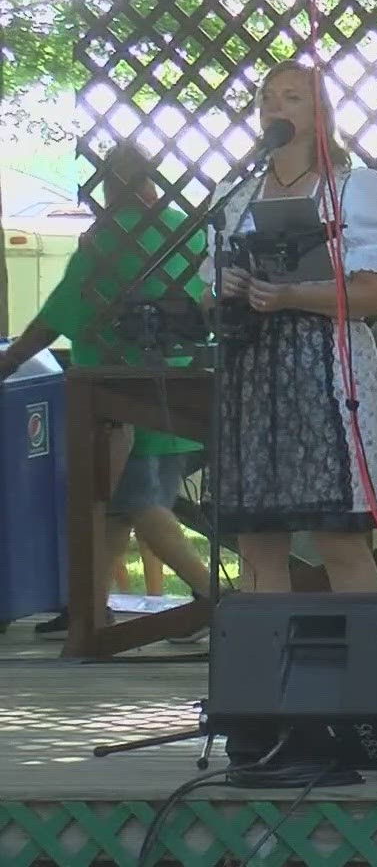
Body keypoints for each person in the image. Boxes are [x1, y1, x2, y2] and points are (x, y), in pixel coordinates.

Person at [198, 60, 377, 593]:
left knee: (338, 539)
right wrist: (231, 287)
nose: (274, 107)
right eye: (268, 97)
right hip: (253, 374)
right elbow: (206, 294)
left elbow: (375, 295)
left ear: (319, 112)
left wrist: (291, 294)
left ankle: (371, 672)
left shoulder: (355, 186)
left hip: (328, 376)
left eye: (291, 97)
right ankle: (268, 671)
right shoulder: (237, 193)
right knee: (258, 544)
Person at [0, 142, 215, 638]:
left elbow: (60, 312)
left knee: (136, 500)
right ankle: (89, 608)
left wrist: (10, 360)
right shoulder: (187, 228)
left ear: (110, 184)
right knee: (116, 505)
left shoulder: (106, 238)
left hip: (117, 394)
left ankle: (213, 599)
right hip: (177, 386)